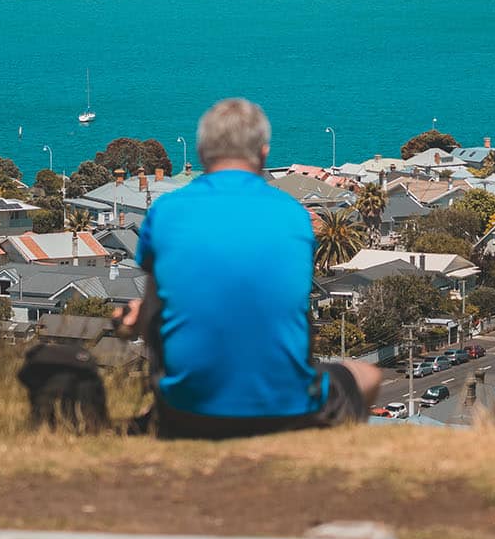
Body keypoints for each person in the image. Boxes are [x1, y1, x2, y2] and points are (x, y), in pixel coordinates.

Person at [121, 98, 381, 438]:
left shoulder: (166, 211)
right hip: (285, 408)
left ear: (201, 152)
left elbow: (156, 310)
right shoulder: (294, 216)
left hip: (186, 410)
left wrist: (132, 321)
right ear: (263, 153)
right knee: (369, 376)